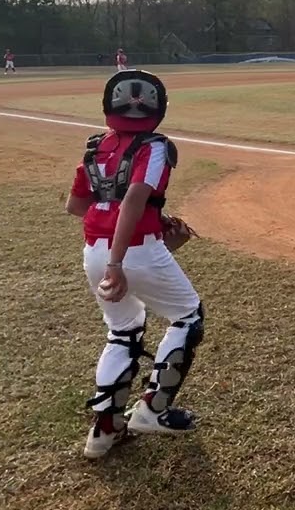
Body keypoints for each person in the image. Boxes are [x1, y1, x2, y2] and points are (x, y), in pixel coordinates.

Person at [66, 69, 206, 459]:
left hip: (94, 250)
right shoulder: (155, 146)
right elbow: (132, 200)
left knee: (123, 331)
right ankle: (152, 411)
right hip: (124, 254)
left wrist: (147, 227)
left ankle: (104, 431)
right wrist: (119, 261)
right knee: (189, 318)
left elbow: (77, 206)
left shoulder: (97, 147)